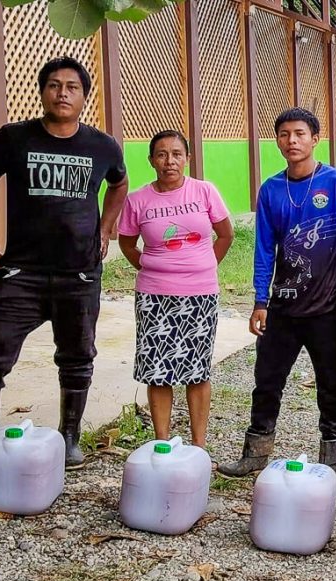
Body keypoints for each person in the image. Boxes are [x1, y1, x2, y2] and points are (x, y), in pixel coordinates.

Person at [0, 56, 128, 474]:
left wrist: (105, 229)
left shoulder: (102, 146)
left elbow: (119, 184)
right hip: (21, 274)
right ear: (42, 92)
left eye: (72, 87)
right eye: (54, 85)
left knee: (77, 357)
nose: (62, 93)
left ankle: (69, 438)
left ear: (84, 97)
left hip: (79, 275)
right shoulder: (13, 138)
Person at [217, 108, 336, 476]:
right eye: (284, 134)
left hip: (328, 306)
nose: (292, 140)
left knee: (331, 384)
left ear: (315, 138)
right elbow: (264, 249)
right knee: (267, 380)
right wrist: (260, 300)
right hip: (282, 307)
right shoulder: (270, 189)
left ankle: (331, 459)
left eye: (299, 133)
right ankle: (255, 452)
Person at [117, 130, 234, 448]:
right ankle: (162, 443)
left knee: (198, 369)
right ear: (151, 160)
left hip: (200, 294)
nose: (169, 161)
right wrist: (150, 267)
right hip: (154, 296)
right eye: (162, 154)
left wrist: (204, 266)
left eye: (176, 154)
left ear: (187, 158)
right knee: (158, 370)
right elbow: (126, 243)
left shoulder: (204, 191)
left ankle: (199, 445)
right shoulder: (138, 200)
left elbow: (225, 234)